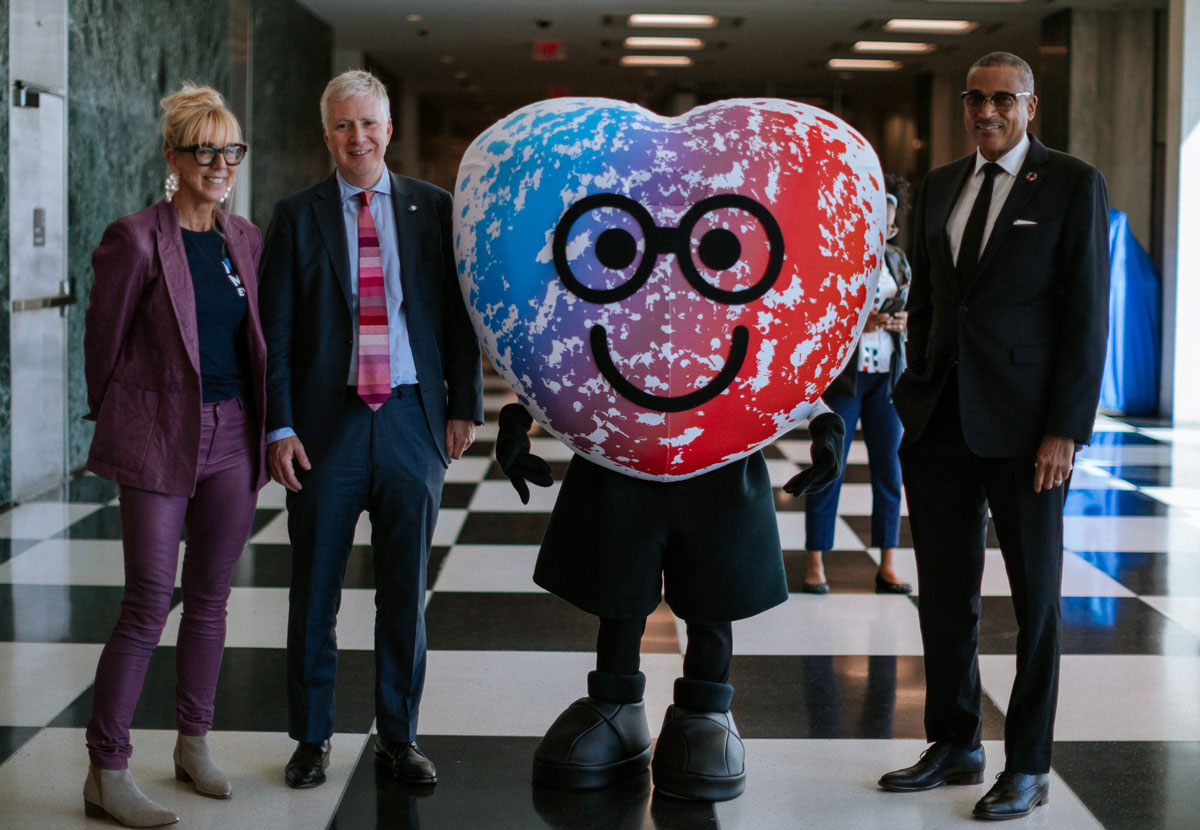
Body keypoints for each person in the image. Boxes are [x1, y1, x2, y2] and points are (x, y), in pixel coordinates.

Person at [880, 52, 1109, 820]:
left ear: (1030, 107)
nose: (986, 112)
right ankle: (955, 743)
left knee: (1035, 605)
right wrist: (913, 388)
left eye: (1003, 99)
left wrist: (1066, 430)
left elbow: (1087, 315)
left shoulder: (1071, 183)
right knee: (945, 597)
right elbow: (933, 299)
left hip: (1027, 431)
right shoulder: (942, 184)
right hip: (940, 422)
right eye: (975, 99)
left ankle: (1030, 765)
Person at [259, 69, 483, 790]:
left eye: (368, 123)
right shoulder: (296, 216)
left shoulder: (433, 209)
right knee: (314, 591)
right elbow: (276, 334)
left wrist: (463, 405)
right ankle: (311, 737)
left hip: (413, 421)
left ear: (388, 129)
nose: (357, 137)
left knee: (404, 591)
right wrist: (280, 426)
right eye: (343, 125)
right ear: (327, 134)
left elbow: (459, 316)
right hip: (326, 429)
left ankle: (399, 736)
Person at [82, 83, 267, 827]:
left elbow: (255, 343)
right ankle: (107, 769)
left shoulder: (244, 238)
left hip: (234, 436)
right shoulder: (135, 237)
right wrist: (130, 417)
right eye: (204, 151)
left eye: (230, 151)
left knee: (211, 599)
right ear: (173, 157)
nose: (221, 165)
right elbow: (103, 346)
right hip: (159, 435)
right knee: (148, 601)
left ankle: (194, 743)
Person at [802, 174, 914, 595]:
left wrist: (903, 323)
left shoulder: (899, 261)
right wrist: (855, 324)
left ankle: (888, 563)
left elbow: (913, 308)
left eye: (887, 221)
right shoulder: (839, 258)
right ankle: (815, 561)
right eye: (873, 218)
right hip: (845, 380)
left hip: (887, 378)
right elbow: (817, 315)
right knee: (829, 465)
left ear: (893, 227)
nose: (880, 226)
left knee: (890, 470)